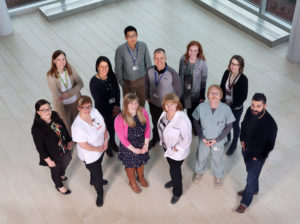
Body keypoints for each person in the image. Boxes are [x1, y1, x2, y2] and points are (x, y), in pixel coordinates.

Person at [236, 93, 278, 213]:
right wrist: (242, 139)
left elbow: (270, 146)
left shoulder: (271, 125)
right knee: (252, 173)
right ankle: (254, 190)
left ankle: (245, 202)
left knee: (250, 178)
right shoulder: (250, 111)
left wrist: (257, 157)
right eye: (253, 105)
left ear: (265, 106)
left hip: (257, 155)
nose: (254, 108)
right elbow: (243, 125)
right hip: (246, 149)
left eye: (258, 106)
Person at [192, 85, 235, 187]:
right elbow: (195, 121)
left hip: (218, 141)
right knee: (201, 157)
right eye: (211, 92)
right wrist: (202, 137)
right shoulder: (201, 107)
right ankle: (199, 172)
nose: (214, 95)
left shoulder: (226, 109)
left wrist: (217, 140)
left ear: (221, 96)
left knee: (217, 158)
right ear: (207, 95)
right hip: (204, 139)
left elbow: (229, 126)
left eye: (217, 93)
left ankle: (218, 176)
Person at [71, 96, 109, 207]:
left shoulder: (95, 111)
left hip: (102, 147)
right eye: (84, 107)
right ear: (78, 108)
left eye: (89, 106)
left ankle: (93, 180)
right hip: (90, 154)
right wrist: (97, 149)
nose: (88, 110)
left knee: (98, 166)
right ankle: (100, 193)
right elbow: (82, 144)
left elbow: (103, 126)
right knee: (98, 174)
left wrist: (106, 140)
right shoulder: (77, 126)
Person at [31, 99, 72, 195]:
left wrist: (69, 140)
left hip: (63, 147)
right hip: (52, 154)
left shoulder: (54, 115)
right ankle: (59, 186)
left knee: (67, 159)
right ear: (38, 112)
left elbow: (63, 126)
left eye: (49, 108)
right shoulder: (37, 129)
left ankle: (62, 174)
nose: (48, 111)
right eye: (44, 110)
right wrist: (49, 161)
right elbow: (40, 148)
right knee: (55, 170)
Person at [157, 93, 192, 204]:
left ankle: (177, 192)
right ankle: (174, 180)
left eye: (172, 104)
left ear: (177, 104)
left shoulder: (182, 119)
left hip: (177, 152)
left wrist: (177, 148)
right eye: (167, 104)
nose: (169, 107)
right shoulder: (164, 114)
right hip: (166, 147)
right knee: (173, 167)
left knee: (174, 170)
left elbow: (187, 139)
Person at [145, 48, 182, 149]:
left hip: (167, 107)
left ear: (165, 58)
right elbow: (147, 85)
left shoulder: (172, 74)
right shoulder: (150, 71)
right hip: (153, 104)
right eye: (156, 58)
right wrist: (148, 98)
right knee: (155, 122)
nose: (159, 61)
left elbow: (178, 92)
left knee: (168, 125)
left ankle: (168, 141)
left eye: (161, 58)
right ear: (153, 59)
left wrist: (172, 106)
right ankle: (156, 138)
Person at [114, 93, 150, 193]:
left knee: (141, 162)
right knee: (130, 166)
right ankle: (132, 182)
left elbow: (147, 129)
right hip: (129, 146)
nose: (134, 106)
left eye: (136, 103)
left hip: (142, 143)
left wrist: (146, 145)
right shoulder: (119, 119)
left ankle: (140, 177)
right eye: (131, 103)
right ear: (126, 104)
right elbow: (122, 139)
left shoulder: (143, 111)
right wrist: (134, 150)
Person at [90, 56, 121, 158]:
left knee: (113, 128)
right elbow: (98, 101)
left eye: (106, 66)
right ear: (97, 67)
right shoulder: (94, 82)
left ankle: (112, 143)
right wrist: (112, 109)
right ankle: (106, 146)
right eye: (101, 66)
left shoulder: (112, 76)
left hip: (115, 109)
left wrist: (117, 105)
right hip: (103, 111)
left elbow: (117, 91)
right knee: (104, 130)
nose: (104, 69)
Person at [47, 50, 84, 135]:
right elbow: (57, 96)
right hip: (63, 107)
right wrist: (62, 114)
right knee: (67, 131)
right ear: (54, 60)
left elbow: (80, 83)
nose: (62, 62)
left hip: (76, 103)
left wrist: (68, 94)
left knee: (79, 128)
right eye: (59, 59)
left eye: (63, 59)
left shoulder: (70, 69)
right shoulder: (50, 77)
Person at [114, 25, 152, 107]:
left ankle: (140, 119)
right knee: (129, 106)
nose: (132, 38)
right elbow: (118, 68)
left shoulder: (143, 46)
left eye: (134, 35)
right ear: (125, 38)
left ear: (137, 35)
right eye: (129, 36)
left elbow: (148, 62)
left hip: (142, 81)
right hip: (128, 83)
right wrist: (122, 83)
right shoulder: (120, 50)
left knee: (141, 105)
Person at [220, 55, 248, 155]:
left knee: (235, 125)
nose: (233, 66)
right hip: (225, 104)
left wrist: (231, 107)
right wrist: (222, 102)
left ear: (240, 66)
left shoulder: (243, 79)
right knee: (226, 123)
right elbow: (221, 87)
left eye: (236, 65)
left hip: (236, 107)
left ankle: (234, 143)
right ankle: (227, 138)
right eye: (232, 63)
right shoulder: (227, 73)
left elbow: (243, 97)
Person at [179, 41, 208, 127]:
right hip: (184, 92)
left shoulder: (202, 63)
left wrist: (202, 96)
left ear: (199, 51)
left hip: (195, 93)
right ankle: (185, 126)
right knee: (183, 110)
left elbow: (203, 81)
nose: (192, 53)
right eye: (190, 50)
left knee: (193, 113)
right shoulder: (183, 59)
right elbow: (180, 73)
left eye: (195, 51)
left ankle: (194, 127)